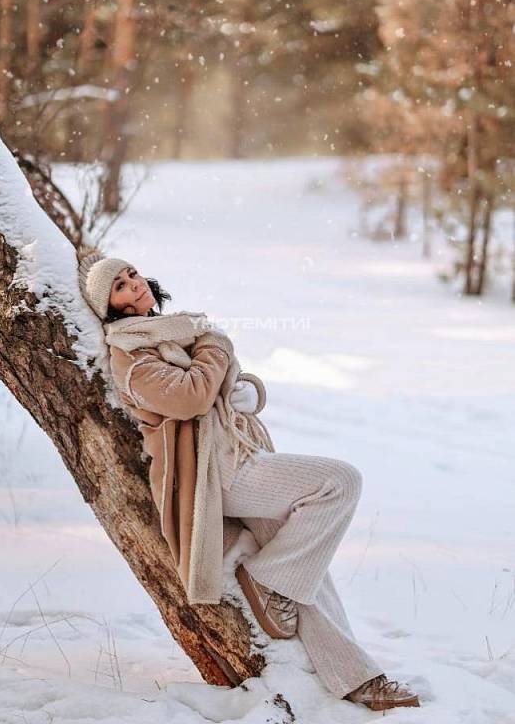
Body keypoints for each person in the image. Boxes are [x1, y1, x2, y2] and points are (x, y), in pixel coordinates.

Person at [77, 248, 420, 712]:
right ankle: (267, 580)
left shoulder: (175, 331)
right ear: (111, 307)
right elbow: (192, 397)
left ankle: (358, 678)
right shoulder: (131, 358)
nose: (134, 283)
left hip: (240, 452)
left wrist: (249, 392)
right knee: (340, 482)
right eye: (119, 286)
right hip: (214, 473)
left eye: (132, 274)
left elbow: (227, 383)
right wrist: (216, 346)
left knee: (306, 568)